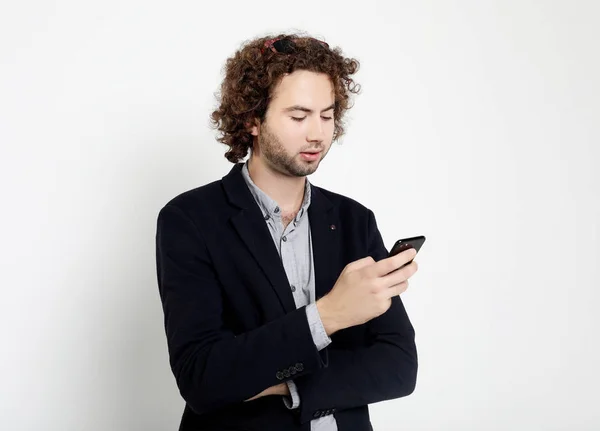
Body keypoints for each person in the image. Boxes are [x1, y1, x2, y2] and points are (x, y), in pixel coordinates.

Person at [155, 32, 419, 431]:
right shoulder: (189, 219)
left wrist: (277, 381)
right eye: (298, 116)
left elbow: (399, 366)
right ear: (252, 119)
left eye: (327, 116)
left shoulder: (354, 220)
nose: (317, 134)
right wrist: (328, 315)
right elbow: (203, 378)